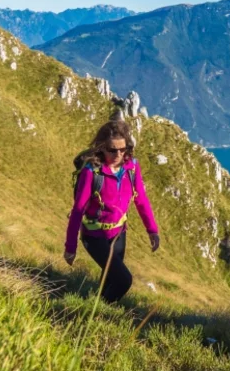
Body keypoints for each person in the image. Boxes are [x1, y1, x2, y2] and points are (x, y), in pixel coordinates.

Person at [64, 119, 160, 303]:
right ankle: (97, 312)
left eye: (123, 149)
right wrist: (70, 248)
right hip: (94, 235)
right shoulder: (92, 172)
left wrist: (152, 230)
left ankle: (94, 313)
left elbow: (141, 199)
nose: (118, 154)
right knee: (124, 280)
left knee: (108, 282)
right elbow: (78, 210)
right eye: (112, 150)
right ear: (102, 148)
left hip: (119, 233)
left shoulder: (131, 167)